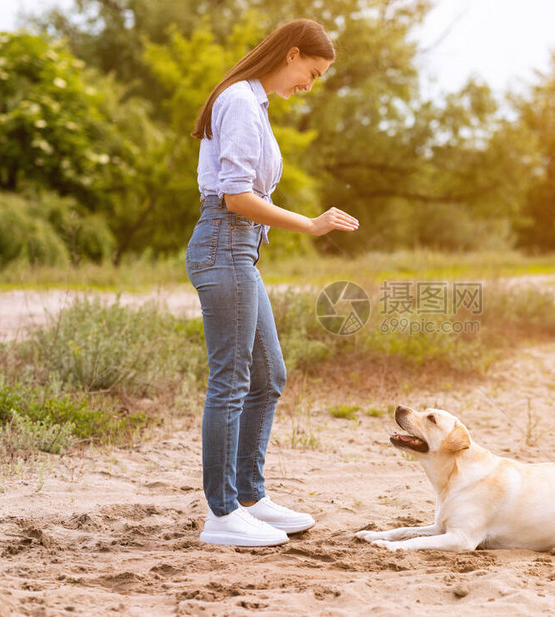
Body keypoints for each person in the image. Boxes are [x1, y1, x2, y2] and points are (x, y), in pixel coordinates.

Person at [187, 19, 358, 547]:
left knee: (268, 376)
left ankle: (249, 499)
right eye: (312, 71)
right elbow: (236, 197)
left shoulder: (254, 104)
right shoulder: (240, 100)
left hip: (240, 251)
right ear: (291, 54)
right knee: (232, 382)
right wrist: (309, 224)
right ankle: (221, 515)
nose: (311, 84)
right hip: (224, 244)